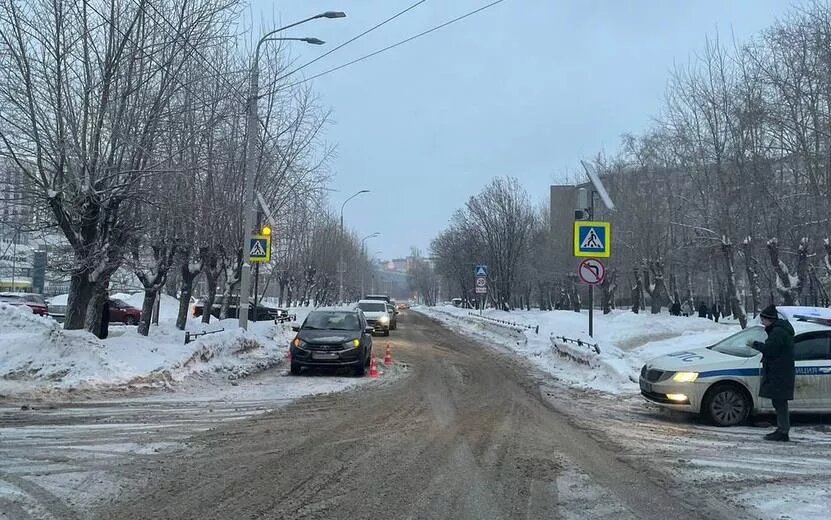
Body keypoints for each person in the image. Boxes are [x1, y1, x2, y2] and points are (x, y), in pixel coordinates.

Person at [750, 304, 795, 442]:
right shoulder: (779, 330)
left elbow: (771, 350)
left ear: (769, 319)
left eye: (763, 320)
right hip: (780, 372)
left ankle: (783, 431)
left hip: (779, 373)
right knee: (779, 401)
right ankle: (782, 429)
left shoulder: (778, 332)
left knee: (780, 402)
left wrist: (755, 344)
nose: (762, 323)